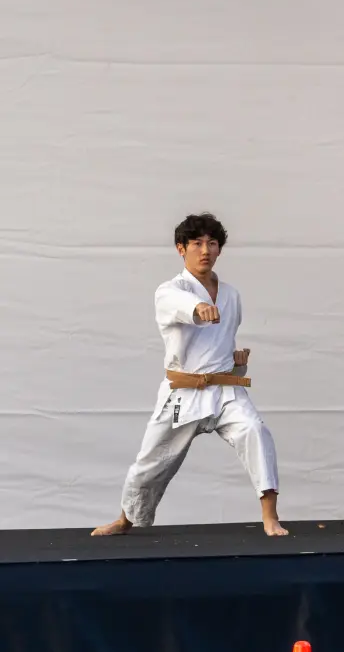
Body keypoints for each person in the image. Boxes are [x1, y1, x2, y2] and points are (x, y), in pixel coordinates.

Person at [93, 214, 285, 537]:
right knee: (151, 460)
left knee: (256, 432)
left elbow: (218, 345)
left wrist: (237, 364)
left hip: (224, 391)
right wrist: (197, 307)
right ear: (181, 248)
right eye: (197, 243)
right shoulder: (170, 291)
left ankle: (270, 516)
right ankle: (125, 520)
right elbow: (178, 304)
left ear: (219, 249)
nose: (205, 250)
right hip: (183, 393)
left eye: (212, 243)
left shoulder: (232, 296)